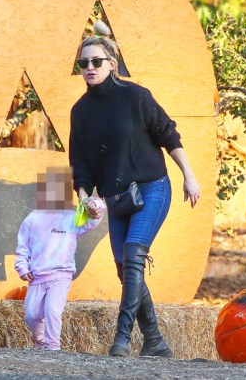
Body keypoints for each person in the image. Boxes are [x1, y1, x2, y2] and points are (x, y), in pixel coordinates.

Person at [69, 21, 201, 358]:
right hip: (116, 198)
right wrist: (85, 200)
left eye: (96, 62)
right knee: (123, 267)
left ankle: (122, 339)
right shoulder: (80, 112)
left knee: (133, 259)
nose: (89, 68)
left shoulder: (136, 96)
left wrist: (188, 175)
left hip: (152, 188)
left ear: (111, 64)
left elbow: (168, 134)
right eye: (83, 63)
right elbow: (80, 165)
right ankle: (155, 341)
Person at [14, 167, 106, 351]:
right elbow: (23, 246)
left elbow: (94, 218)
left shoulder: (72, 218)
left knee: (52, 310)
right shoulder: (32, 219)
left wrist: (94, 204)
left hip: (61, 275)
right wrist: (22, 267)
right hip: (37, 276)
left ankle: (53, 347)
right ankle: (40, 343)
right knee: (31, 315)